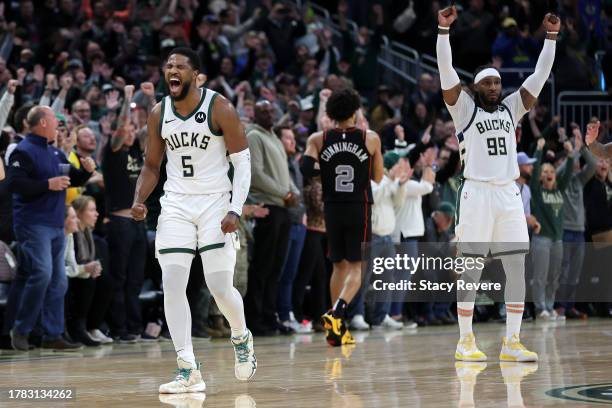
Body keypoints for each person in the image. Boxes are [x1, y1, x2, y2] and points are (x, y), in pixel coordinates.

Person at [437, 5, 560, 362]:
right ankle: (465, 340)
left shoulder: (511, 108)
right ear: (475, 87)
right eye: (486, 83)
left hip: (508, 192)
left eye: (496, 81)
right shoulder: (463, 109)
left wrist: (550, 38)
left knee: (515, 266)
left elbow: (539, 74)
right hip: (476, 191)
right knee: (471, 266)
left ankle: (512, 342)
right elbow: (446, 71)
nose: (493, 86)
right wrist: (443, 32)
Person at [130, 47, 255, 393]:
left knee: (219, 287)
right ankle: (187, 367)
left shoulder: (219, 107)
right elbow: (152, 166)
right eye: (168, 65)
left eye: (180, 66)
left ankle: (241, 336)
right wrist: (139, 199)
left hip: (216, 203)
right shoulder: (159, 113)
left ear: (196, 76)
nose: (172, 70)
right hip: (176, 206)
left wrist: (236, 207)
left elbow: (242, 161)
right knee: (172, 281)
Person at [6, 106, 95, 351]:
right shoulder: (24, 151)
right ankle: (21, 330)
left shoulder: (55, 152)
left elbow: (71, 179)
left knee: (58, 281)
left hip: (56, 225)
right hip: (33, 224)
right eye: (55, 120)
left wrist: (85, 173)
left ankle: (51, 334)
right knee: (43, 274)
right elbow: (14, 183)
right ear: (43, 123)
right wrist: (48, 184)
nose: (59, 125)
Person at [302, 87, 384, 346]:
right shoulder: (370, 138)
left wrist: (328, 168)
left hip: (332, 208)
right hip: (359, 206)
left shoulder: (318, 138)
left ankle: (335, 331)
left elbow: (306, 169)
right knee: (358, 266)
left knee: (338, 265)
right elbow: (378, 177)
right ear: (356, 111)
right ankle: (337, 312)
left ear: (330, 113)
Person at [244, 102, 299, 336]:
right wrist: (283, 192)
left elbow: (284, 174)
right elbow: (255, 174)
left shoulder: (274, 137)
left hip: (282, 207)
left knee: (276, 268)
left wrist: (292, 191)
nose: (268, 114)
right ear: (255, 115)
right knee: (263, 267)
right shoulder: (254, 136)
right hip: (266, 207)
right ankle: (254, 319)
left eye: (270, 110)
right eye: (263, 111)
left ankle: (269, 315)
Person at [103, 84, 148, 343]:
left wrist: (151, 97)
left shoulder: (135, 151)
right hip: (119, 222)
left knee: (135, 279)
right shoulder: (113, 152)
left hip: (137, 224)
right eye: (127, 130)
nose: (130, 132)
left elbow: (149, 130)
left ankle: (135, 328)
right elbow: (121, 129)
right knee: (119, 278)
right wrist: (128, 98)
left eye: (133, 129)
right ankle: (119, 328)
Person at [530, 138, 575, 320]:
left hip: (558, 239)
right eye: (545, 171)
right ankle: (540, 309)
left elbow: (570, 170)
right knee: (540, 276)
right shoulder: (537, 191)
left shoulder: (559, 190)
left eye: (551, 171)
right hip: (541, 239)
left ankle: (549, 306)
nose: (549, 173)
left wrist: (571, 154)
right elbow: (533, 176)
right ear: (541, 176)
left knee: (554, 276)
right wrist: (539, 150)